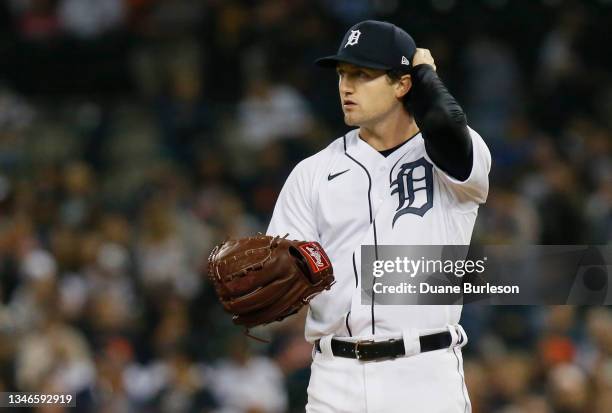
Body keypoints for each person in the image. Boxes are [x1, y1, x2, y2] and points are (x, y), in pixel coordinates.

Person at [267, 20, 491, 412]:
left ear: (402, 85)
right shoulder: (312, 173)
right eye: (342, 74)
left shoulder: (453, 158)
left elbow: (444, 124)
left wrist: (425, 74)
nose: (346, 86)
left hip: (424, 374)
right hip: (336, 378)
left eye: (363, 75)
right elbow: (282, 276)